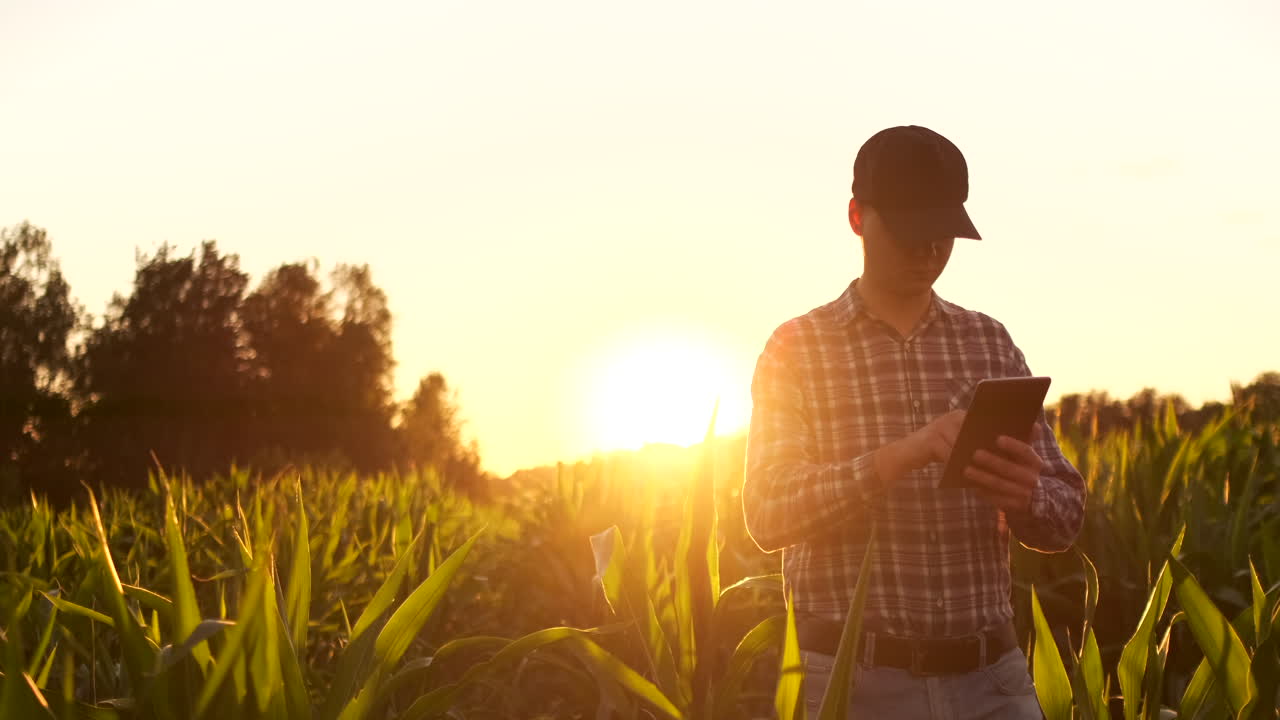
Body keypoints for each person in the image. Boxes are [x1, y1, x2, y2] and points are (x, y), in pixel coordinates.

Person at [742, 125, 1085, 719]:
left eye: (943, 234)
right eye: (910, 232)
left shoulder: (989, 343)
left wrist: (1027, 495)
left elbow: (1067, 513)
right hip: (849, 685)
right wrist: (902, 456)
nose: (928, 251)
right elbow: (767, 512)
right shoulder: (797, 348)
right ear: (857, 217)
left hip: (991, 682)